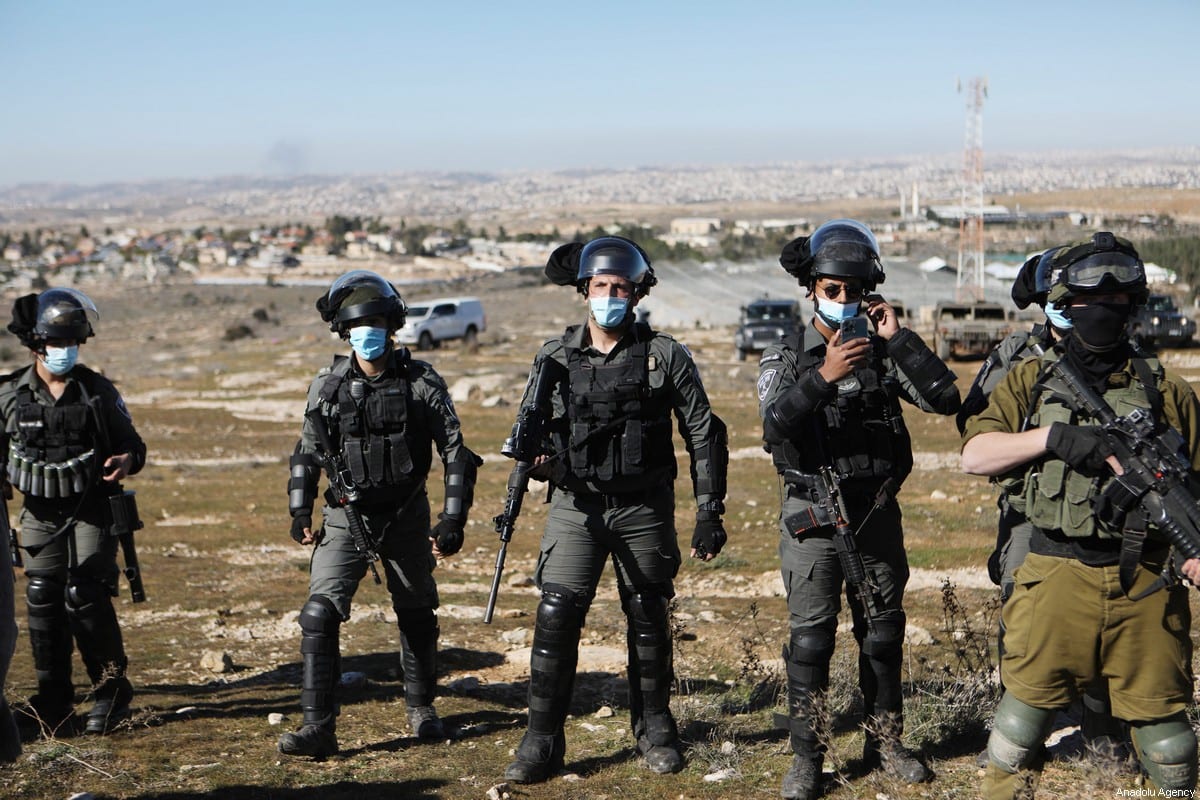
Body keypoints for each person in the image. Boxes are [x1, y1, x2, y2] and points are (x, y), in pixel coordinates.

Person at [961, 232, 1200, 799]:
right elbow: (975, 455)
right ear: (1064, 307)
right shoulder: (1029, 379)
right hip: (1053, 574)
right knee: (1017, 734)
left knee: (1170, 743)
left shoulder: (1168, 391)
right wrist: (1051, 437)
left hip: (1147, 582)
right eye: (1094, 302)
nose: (1107, 313)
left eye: (1119, 303)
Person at [501, 236, 729, 783]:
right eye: (600, 286)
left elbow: (704, 431)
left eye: (620, 287)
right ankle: (542, 740)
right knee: (556, 614)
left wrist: (708, 510)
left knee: (649, 613)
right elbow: (531, 429)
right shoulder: (555, 358)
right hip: (576, 507)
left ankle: (654, 727)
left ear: (636, 293)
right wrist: (538, 464)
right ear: (584, 291)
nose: (610, 296)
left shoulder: (665, 355)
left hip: (642, 506)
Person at [759, 220, 960, 799]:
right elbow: (774, 427)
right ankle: (808, 756)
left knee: (882, 631)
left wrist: (898, 339)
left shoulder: (882, 350)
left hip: (873, 515)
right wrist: (824, 377)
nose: (842, 300)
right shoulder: (786, 355)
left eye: (853, 289)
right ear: (813, 289)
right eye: (831, 288)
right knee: (812, 639)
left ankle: (886, 742)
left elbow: (945, 399)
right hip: (813, 518)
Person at [278, 270, 482, 758]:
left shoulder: (421, 382)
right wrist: (299, 510)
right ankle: (318, 727)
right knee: (318, 614)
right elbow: (307, 452)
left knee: (416, 611)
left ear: (392, 326)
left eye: (375, 321)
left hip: (407, 516)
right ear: (343, 331)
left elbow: (456, 452)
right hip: (346, 518)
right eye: (356, 324)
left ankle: (421, 710)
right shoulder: (326, 386)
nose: (366, 332)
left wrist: (453, 520)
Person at [958, 249, 1124, 766]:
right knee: (1023, 611)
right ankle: (1022, 734)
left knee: (1106, 618)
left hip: (1104, 511)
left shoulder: (1118, 352)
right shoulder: (1018, 356)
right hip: (1032, 510)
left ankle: (1101, 732)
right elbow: (975, 426)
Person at [1, 288, 147, 737]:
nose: (67, 352)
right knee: (42, 595)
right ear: (36, 345)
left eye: (74, 343)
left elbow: (133, 445)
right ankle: (54, 700)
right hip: (38, 512)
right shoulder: (9, 394)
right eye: (58, 343)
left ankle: (110, 691)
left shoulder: (98, 392)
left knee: (85, 593)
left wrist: (126, 461)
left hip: (91, 509)